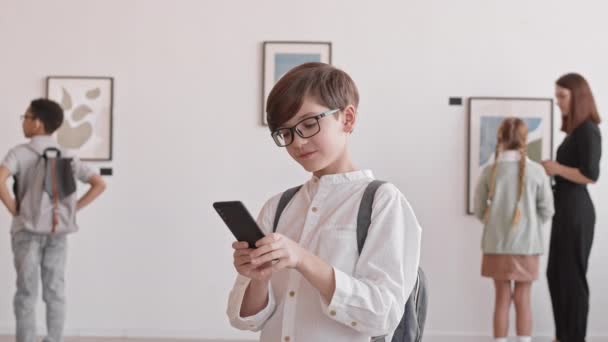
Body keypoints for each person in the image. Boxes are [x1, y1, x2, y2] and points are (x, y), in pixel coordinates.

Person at [225, 62, 422, 341]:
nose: (297, 143)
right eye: (286, 132)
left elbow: (383, 314)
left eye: (308, 124)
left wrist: (303, 259)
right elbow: (244, 320)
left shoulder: (382, 201)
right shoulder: (277, 206)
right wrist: (259, 277)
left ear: (348, 118)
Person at [0, 98, 106, 342]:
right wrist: (71, 210)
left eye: (26, 117)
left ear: (37, 122)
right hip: (58, 231)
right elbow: (99, 184)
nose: (23, 123)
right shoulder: (67, 155)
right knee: (55, 291)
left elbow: (0, 179)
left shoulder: (20, 153)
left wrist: (14, 210)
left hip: (26, 231)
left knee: (26, 292)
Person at [474, 117, 554, 342]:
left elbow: (479, 209)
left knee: (501, 298)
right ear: (524, 139)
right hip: (527, 246)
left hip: (495, 245)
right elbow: (547, 210)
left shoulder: (490, 171)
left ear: (500, 138)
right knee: (523, 297)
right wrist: (529, 224)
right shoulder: (537, 171)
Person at [542, 73, 601, 342]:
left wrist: (556, 169)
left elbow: (590, 174)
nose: (558, 102)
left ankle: (573, 337)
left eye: (562, 96)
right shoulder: (575, 132)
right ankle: (563, 335)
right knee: (556, 273)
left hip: (577, 212)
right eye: (557, 97)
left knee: (572, 278)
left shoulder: (588, 129)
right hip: (565, 210)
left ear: (577, 97)